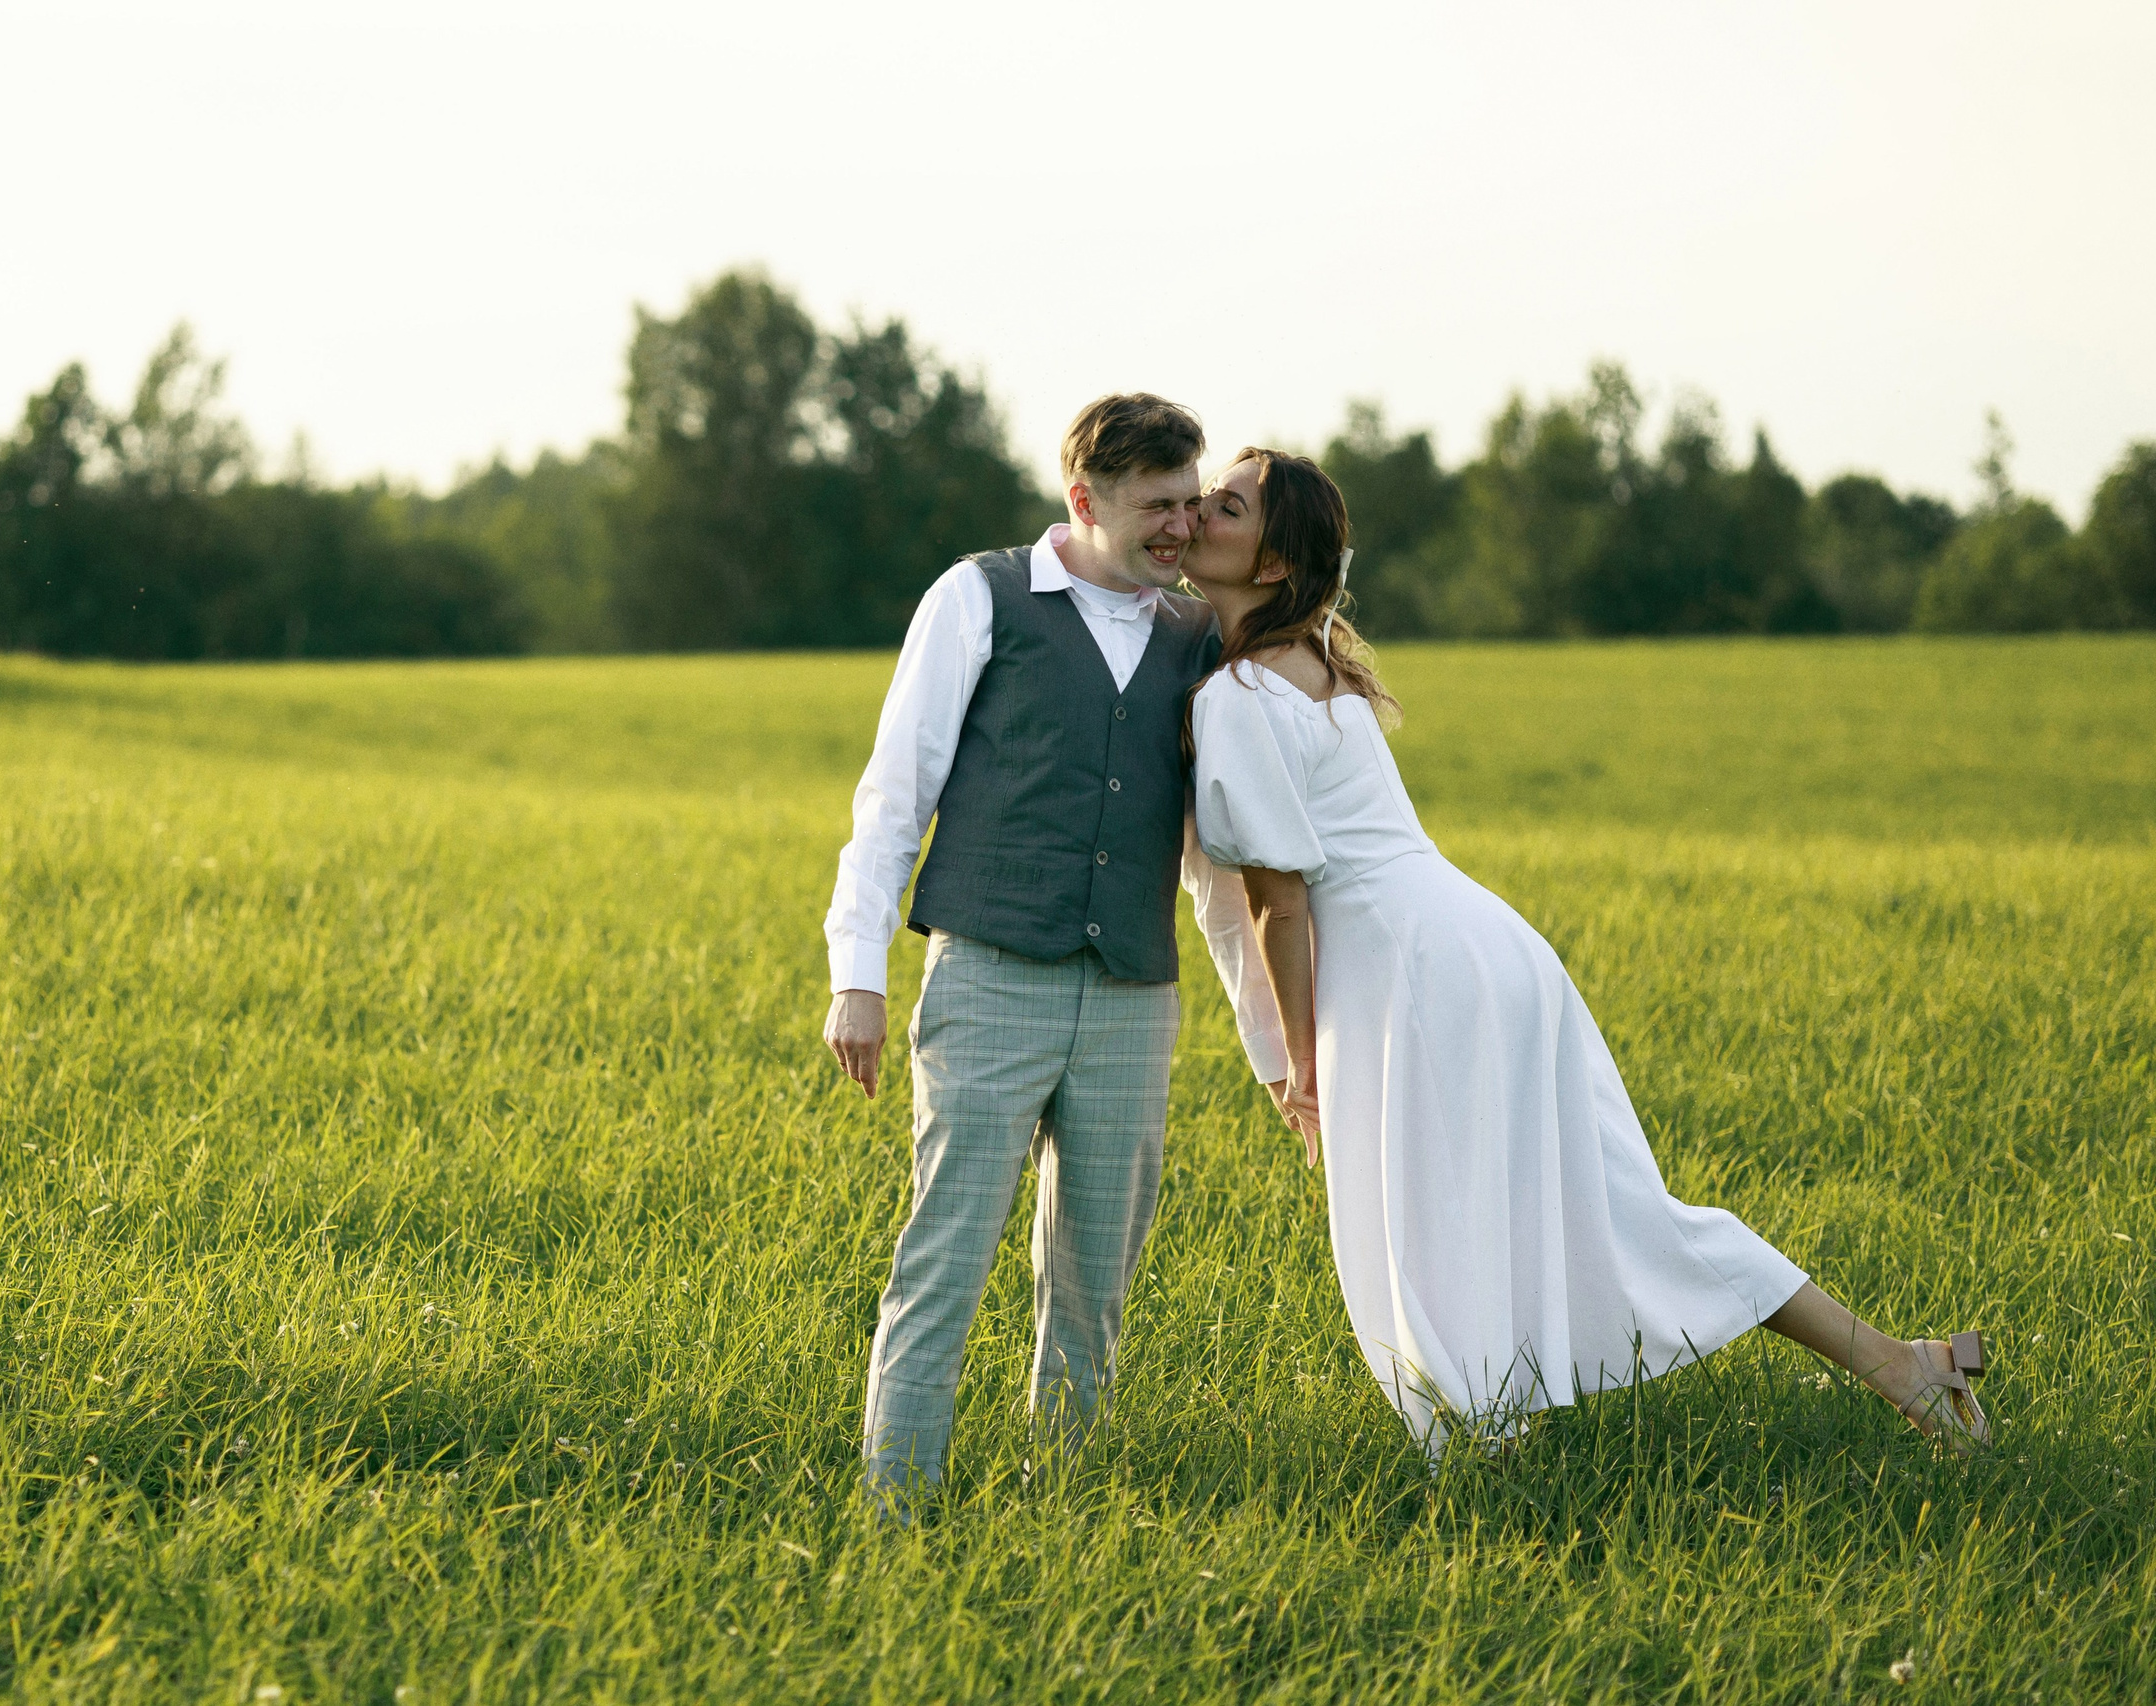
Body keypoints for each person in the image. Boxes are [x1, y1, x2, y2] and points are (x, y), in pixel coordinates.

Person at [1175, 445, 1991, 1456]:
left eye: (1227, 506)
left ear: (1270, 564)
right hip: (1489, 949)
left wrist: (1300, 1061)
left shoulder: (1238, 695)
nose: (1199, 510)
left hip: (1408, 973)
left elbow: (1280, 904)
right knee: (1617, 1214)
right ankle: (1904, 1365)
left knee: (1422, 1231)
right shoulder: (1319, 664)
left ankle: (1482, 1447)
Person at [822, 394, 1286, 1503]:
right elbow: (895, 795)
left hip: (1133, 997)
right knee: (946, 1256)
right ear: (1084, 499)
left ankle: (1060, 1501)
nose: (1181, 527)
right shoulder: (978, 598)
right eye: (1156, 505)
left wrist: (1276, 1052)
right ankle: (895, 1504)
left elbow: (1217, 876)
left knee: (1093, 1283)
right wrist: (856, 975)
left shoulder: (1196, 639)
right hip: (989, 977)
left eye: (1190, 502)